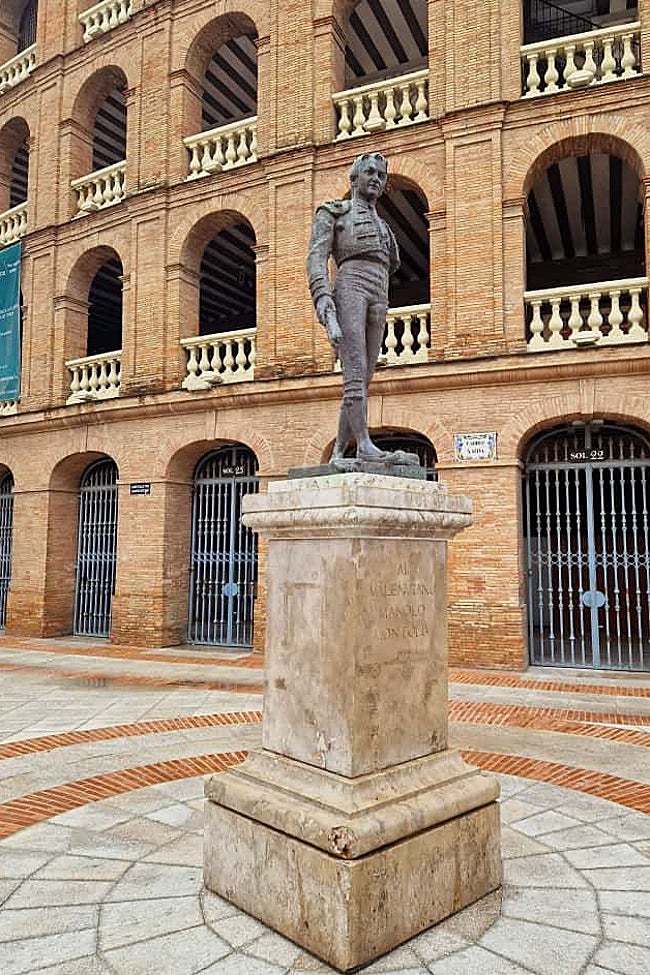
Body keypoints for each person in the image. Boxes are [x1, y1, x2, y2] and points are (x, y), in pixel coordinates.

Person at [307, 152, 401, 464]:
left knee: (364, 376)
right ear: (354, 178)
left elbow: (394, 264)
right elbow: (316, 260)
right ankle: (362, 444)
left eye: (381, 176)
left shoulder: (385, 228)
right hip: (351, 285)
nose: (376, 179)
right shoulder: (334, 213)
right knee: (356, 371)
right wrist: (327, 310)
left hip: (379, 290)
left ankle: (337, 453)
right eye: (370, 173)